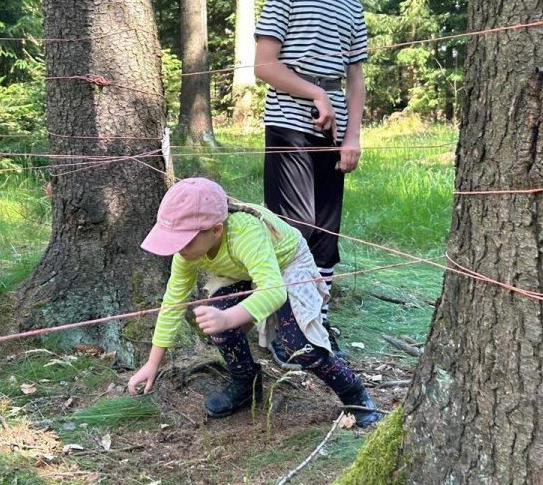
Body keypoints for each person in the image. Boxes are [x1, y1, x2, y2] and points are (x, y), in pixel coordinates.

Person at [126, 177, 381, 427]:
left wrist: (228, 318)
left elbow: (274, 291)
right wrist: (153, 363)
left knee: (300, 344)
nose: (178, 249)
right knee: (218, 323)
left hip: (287, 264)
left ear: (216, 230)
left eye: (184, 240)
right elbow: (173, 301)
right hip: (243, 271)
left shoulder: (245, 233)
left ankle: (354, 394)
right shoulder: (187, 253)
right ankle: (246, 383)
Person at [254, 0, 371, 362]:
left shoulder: (353, 7)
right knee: (293, 229)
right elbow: (265, 65)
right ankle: (284, 331)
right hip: (289, 124)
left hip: (334, 132)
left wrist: (352, 135)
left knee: (325, 232)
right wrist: (315, 94)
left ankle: (314, 324)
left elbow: (356, 79)